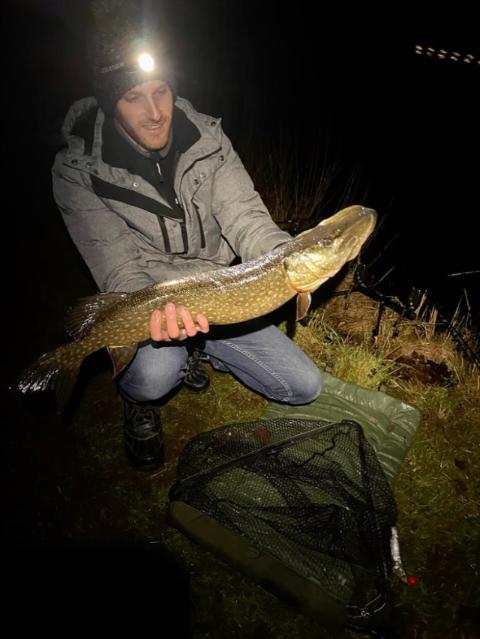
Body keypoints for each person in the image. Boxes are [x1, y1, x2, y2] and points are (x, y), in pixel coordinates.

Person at [52, 22, 322, 472]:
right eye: (134, 97)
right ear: (110, 102)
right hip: (150, 296)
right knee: (154, 376)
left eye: (161, 91)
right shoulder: (77, 172)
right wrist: (156, 320)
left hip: (221, 290)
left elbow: (248, 220)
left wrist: (285, 255)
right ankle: (139, 399)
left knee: (303, 385)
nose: (155, 112)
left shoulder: (209, 141)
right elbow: (119, 270)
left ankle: (204, 349)